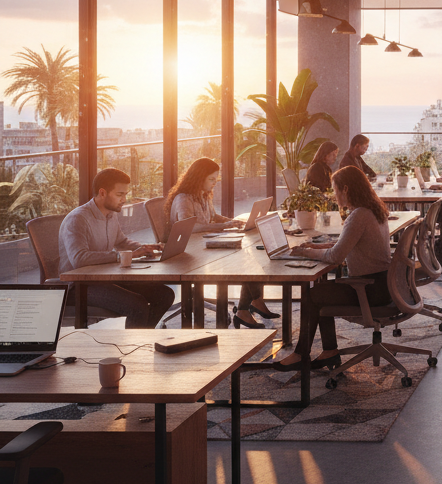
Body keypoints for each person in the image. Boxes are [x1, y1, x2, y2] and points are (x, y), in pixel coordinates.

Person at [273, 166, 393, 369]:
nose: (333, 194)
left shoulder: (358, 216)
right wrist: (316, 246)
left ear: (345, 189)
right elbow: (347, 244)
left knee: (313, 295)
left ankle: (302, 354)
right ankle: (329, 351)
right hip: (384, 285)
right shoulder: (372, 210)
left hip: (368, 290)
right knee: (321, 292)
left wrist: (305, 252)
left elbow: (336, 257)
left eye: (335, 189)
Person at [165, 157, 277, 328]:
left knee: (250, 255)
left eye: (215, 178)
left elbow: (213, 217)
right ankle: (249, 305)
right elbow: (190, 228)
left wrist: (231, 222)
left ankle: (246, 307)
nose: (214, 183)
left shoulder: (203, 195)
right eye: (211, 179)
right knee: (244, 260)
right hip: (190, 251)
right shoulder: (184, 199)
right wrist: (223, 226)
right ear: (198, 178)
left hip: (205, 243)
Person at [58, 168, 175, 329]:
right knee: (137, 305)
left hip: (104, 279)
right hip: (79, 286)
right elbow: (79, 259)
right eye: (120, 195)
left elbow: (122, 241)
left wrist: (144, 247)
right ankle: (135, 348)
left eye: (125, 194)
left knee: (164, 294)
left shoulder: (110, 214)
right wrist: (123, 256)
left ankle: (142, 339)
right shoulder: (78, 219)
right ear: (103, 193)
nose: (124, 199)